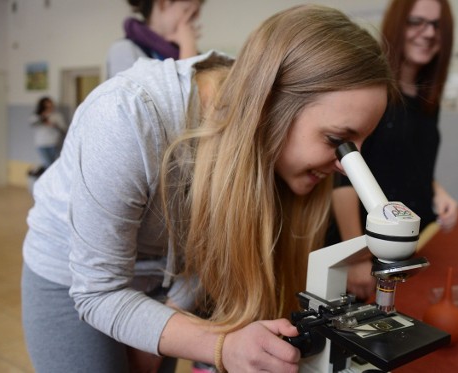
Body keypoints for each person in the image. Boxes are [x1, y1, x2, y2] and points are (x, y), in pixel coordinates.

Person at [21, 5, 393, 373]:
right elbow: (98, 292)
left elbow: (205, 245)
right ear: (271, 105)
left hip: (168, 273)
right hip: (78, 277)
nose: (346, 165)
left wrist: (172, 318)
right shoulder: (128, 116)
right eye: (336, 140)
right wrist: (220, 344)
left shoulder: (260, 141)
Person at [329, 0, 458, 300]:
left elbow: (408, 158)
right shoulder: (375, 91)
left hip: (407, 249)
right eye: (417, 22)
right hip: (368, 250)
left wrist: (437, 190)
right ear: (397, 24)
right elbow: (344, 175)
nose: (428, 33)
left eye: (437, 26)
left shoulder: (427, 99)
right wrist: (358, 257)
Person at [107, 0, 205, 78]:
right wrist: (188, 47)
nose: (194, 19)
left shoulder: (182, 52)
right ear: (163, 3)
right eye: (188, 11)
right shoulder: (124, 50)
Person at [30, 96, 67, 168]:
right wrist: (42, 119)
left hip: (53, 143)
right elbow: (32, 123)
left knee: (54, 164)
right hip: (41, 143)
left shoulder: (57, 116)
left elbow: (64, 129)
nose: (49, 108)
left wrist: (54, 125)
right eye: (46, 106)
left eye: (51, 106)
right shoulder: (36, 116)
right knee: (47, 164)